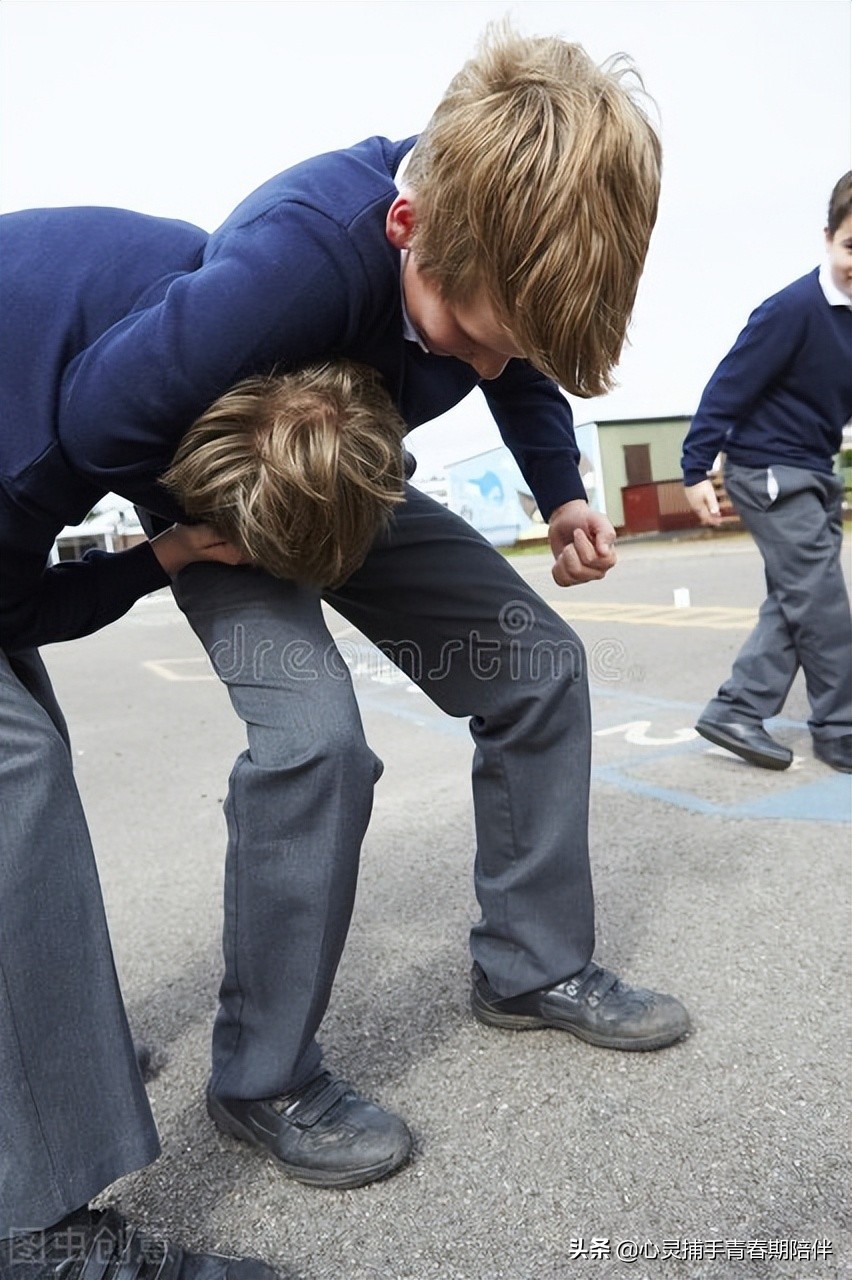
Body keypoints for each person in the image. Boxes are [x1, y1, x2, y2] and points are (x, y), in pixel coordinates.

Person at [6, 24, 692, 1225]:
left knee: (535, 663)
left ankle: (533, 962)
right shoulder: (298, 259)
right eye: (470, 338)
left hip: (350, 465)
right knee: (315, 740)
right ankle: (264, 1077)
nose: (488, 365)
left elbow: (521, 351)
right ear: (406, 227)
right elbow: (99, 417)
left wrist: (562, 491)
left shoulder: (501, 242)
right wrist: (224, 522)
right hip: (237, 483)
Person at [0, 264, 407, 1279]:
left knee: (27, 734)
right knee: (16, 774)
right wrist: (164, 555)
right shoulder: (63, 437)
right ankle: (36, 1237)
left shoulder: (257, 313)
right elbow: (16, 607)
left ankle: (48, 1057)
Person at [682, 171, 852, 774]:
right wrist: (694, 468)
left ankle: (738, 708)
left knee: (798, 598)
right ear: (827, 237)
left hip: (813, 470)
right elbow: (727, 387)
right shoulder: (793, 309)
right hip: (769, 470)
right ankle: (839, 729)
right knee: (824, 605)